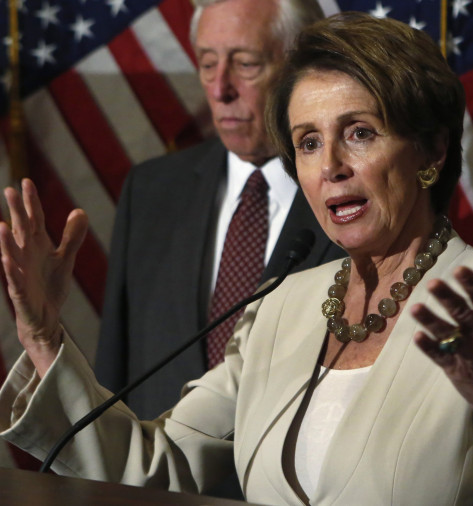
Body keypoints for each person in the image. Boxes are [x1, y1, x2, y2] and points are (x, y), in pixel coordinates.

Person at [0, 12, 473, 505]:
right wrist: (46, 339)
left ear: (431, 149)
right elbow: (159, 469)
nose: (330, 165)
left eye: (359, 132)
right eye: (308, 142)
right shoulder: (280, 306)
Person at [96, 0, 343, 420]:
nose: (219, 88)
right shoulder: (151, 191)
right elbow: (114, 372)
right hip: (152, 480)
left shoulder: (352, 196)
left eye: (245, 64)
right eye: (207, 64)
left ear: (303, 68)